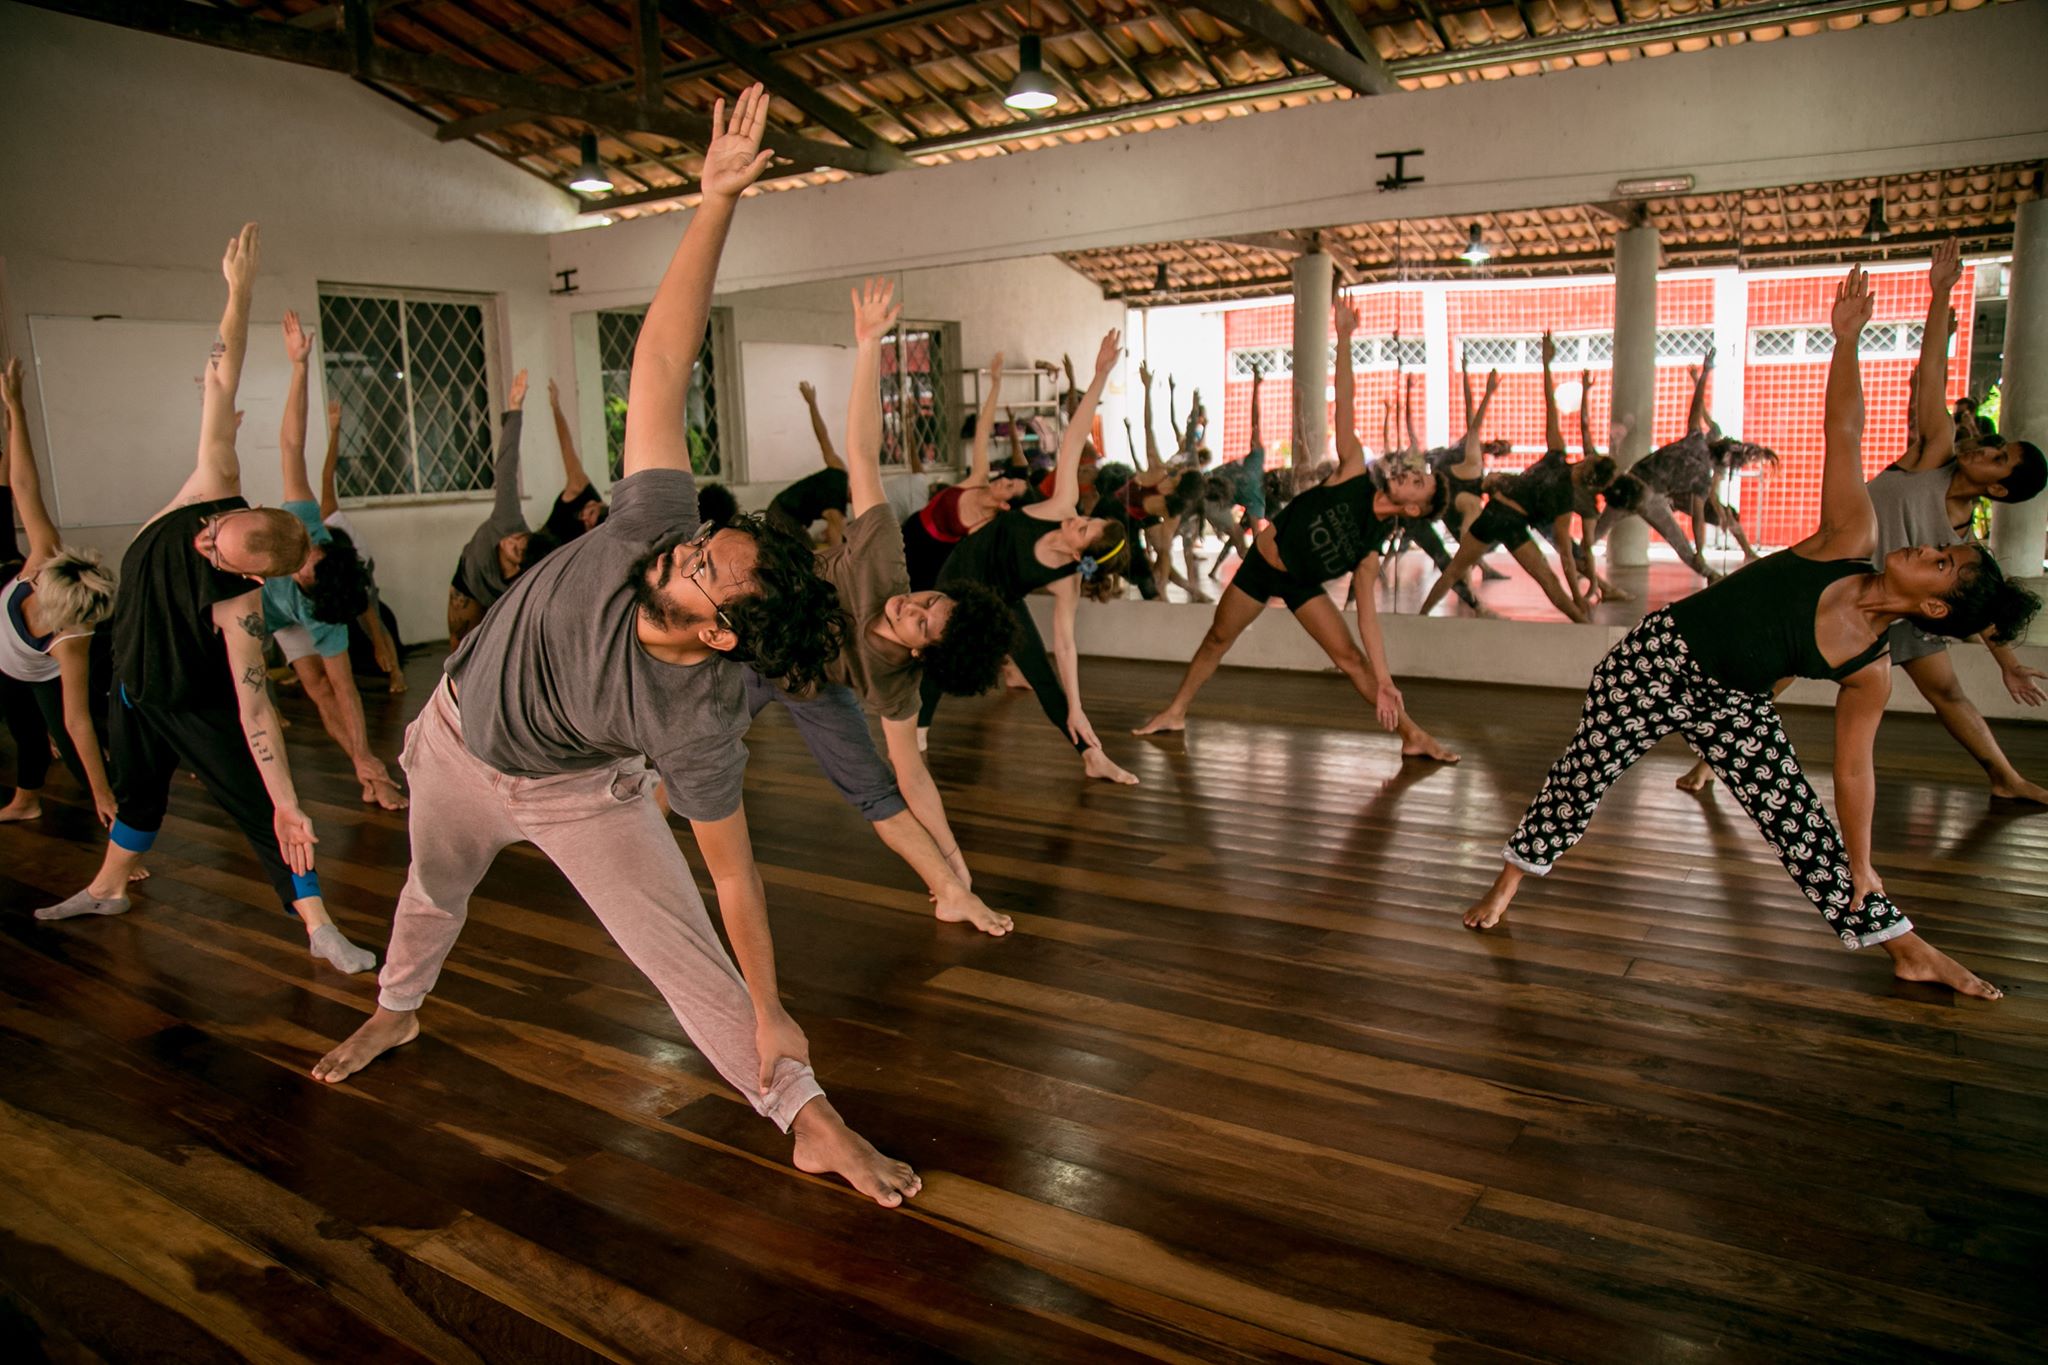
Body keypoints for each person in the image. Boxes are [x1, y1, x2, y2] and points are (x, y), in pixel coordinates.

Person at [309, 89, 921, 1208]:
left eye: (699, 568)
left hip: (581, 792)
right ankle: (395, 1010)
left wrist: (772, 1001)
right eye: (698, 540)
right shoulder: (648, 526)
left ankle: (807, 1118)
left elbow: (733, 881)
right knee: (427, 894)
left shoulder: (692, 725)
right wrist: (714, 205)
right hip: (452, 747)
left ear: (720, 629)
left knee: (683, 957)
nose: (676, 551)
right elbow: (658, 366)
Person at [1462, 267, 2037, 1000]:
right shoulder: (1847, 537)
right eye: (1942, 547)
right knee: (1582, 776)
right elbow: (1845, 431)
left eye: (1942, 563)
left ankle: (1906, 945)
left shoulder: (1870, 668)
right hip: (1652, 662)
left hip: (1728, 699)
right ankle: (1508, 883)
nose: (1928, 547)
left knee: (1799, 820)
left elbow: (1854, 774)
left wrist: (1860, 860)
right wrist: (1847, 340)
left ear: (1931, 609)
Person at [37, 223, 377, 977]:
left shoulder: (241, 610)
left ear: (250, 578)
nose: (202, 540)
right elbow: (222, 378)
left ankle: (320, 925)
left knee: (264, 812)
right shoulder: (212, 483)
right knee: (138, 792)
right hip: (134, 683)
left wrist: (289, 796)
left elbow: (258, 712)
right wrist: (239, 292)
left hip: (193, 702)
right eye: (216, 530)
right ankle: (107, 889)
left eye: (215, 549)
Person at [1676, 241, 2048, 804]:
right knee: (1773, 675)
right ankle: (1710, 762)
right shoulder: (1934, 452)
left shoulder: (1963, 544)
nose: (1987, 448)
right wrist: (1940, 293)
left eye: (1998, 459)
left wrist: (2010, 665)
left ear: (1998, 489)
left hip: (1902, 600)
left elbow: (1978, 601)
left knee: (1947, 693)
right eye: (1995, 445)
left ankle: (2004, 776)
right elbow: (1929, 384)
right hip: (1844, 589)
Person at [753, 278, 1019, 935]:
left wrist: (954, 860)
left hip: (813, 687)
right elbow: (863, 456)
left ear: (925, 652)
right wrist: (869, 345)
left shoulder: (896, 686)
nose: (912, 606)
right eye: (930, 600)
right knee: (699, 740)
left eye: (923, 623)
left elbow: (913, 777)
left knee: (877, 791)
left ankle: (951, 893)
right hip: (759, 629)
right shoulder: (884, 558)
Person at [1133, 297, 1458, 763]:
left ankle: (1413, 734)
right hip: (1262, 565)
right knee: (1217, 639)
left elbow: (1367, 620)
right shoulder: (1352, 471)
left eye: (1419, 483)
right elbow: (1343, 403)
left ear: (1413, 508)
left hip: (1301, 585)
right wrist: (1344, 337)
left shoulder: (1369, 549)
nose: (1410, 473)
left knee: (1352, 660)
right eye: (1415, 472)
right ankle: (1176, 711)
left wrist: (1385, 679)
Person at [921, 328, 1140, 785]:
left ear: (1085, 555)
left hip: (998, 596)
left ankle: (1091, 753)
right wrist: (1099, 375)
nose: (1077, 519)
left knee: (1042, 675)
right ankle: (918, 733)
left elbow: (1065, 646)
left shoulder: (1067, 579)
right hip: (961, 572)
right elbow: (1075, 436)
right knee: (941, 643)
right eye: (1088, 518)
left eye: (1085, 528)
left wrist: (1076, 705)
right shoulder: (1059, 505)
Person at [263, 312, 405, 810]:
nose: (303, 560)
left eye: (306, 570)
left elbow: (349, 693)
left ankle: (368, 770)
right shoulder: (305, 526)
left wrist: (370, 753)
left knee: (334, 690)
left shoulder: (327, 615)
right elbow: (291, 445)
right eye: (313, 556)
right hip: (267, 615)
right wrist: (299, 369)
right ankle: (366, 770)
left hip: (296, 618)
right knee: (314, 690)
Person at [0, 356, 122, 830]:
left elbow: (79, 723)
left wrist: (103, 793)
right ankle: (26, 801)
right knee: (25, 736)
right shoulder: (42, 559)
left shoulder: (72, 643)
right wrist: (17, 410)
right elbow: (24, 485)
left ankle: (119, 828)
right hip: (6, 663)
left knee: (69, 745)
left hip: (37, 673)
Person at [1418, 332, 1612, 623]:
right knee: (1543, 579)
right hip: (1503, 518)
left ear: (1588, 470)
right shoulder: (1558, 462)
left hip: (1501, 517)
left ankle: (1421, 616)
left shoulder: (1562, 484)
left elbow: (1567, 556)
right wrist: (1546, 364)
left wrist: (1546, 364)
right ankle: (1581, 621)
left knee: (1460, 569)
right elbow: (1550, 407)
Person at [447, 371, 558, 649]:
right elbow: (506, 468)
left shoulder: (525, 580)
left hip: (503, 598)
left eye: (517, 549)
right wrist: (515, 409)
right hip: (469, 583)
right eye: (520, 538)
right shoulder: (509, 520)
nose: (514, 540)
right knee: (461, 643)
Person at [900, 354, 1029, 591]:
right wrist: (996, 385)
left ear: (1005, 506)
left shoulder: (985, 524)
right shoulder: (978, 478)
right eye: (1010, 479)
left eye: (1010, 487)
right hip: (912, 530)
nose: (1004, 481)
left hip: (930, 561)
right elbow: (983, 429)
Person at [317, 399, 407, 694]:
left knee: (373, 621)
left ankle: (396, 673)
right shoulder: (315, 540)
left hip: (361, 566)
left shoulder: (330, 515)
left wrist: (335, 430)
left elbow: (327, 473)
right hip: (342, 570)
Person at [767, 382, 852, 544]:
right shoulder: (835, 509)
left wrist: (812, 404)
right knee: (804, 556)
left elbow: (823, 437)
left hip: (781, 508)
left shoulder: (839, 469)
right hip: (782, 513)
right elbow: (836, 547)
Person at [539, 377, 607, 542]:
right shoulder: (580, 487)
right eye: (590, 513)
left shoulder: (595, 534)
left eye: (588, 524)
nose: (583, 517)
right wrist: (555, 407)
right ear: (598, 504)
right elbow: (566, 447)